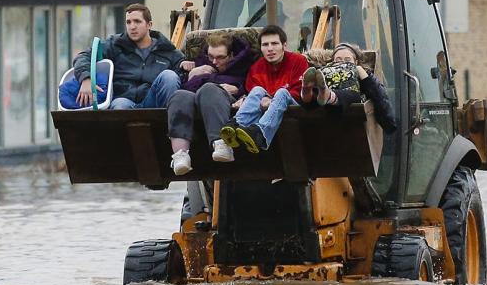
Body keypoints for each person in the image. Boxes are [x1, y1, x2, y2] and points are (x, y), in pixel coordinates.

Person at [165, 33, 255, 175]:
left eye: (220, 57)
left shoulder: (244, 66)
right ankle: (180, 154)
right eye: (211, 56)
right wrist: (191, 74)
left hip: (227, 103)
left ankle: (222, 143)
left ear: (231, 55)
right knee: (179, 95)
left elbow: (252, 87)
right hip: (196, 102)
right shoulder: (202, 63)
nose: (214, 62)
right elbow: (184, 85)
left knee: (209, 89)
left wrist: (239, 89)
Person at [71, 3, 184, 110]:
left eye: (137, 21)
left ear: (149, 25)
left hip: (154, 101)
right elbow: (83, 56)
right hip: (123, 100)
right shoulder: (115, 44)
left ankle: (169, 125)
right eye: (128, 22)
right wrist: (86, 79)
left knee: (169, 76)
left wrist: (185, 66)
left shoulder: (167, 50)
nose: (132, 27)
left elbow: (184, 72)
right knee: (120, 104)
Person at [220, 24, 309, 154]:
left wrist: (270, 99)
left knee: (282, 93)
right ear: (261, 48)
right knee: (257, 90)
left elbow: (299, 92)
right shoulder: (256, 68)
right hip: (265, 107)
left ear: (284, 45)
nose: (270, 49)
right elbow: (252, 93)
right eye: (265, 45)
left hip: (294, 106)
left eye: (274, 44)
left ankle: (260, 133)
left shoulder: (298, 61)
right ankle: (235, 125)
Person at [300, 42, 397, 134]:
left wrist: (362, 73)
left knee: (352, 93)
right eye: (338, 60)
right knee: (316, 95)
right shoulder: (323, 73)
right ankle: (306, 91)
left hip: (350, 111)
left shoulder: (361, 74)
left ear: (356, 62)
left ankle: (327, 95)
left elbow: (380, 97)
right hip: (326, 113)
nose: (342, 63)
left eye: (347, 60)